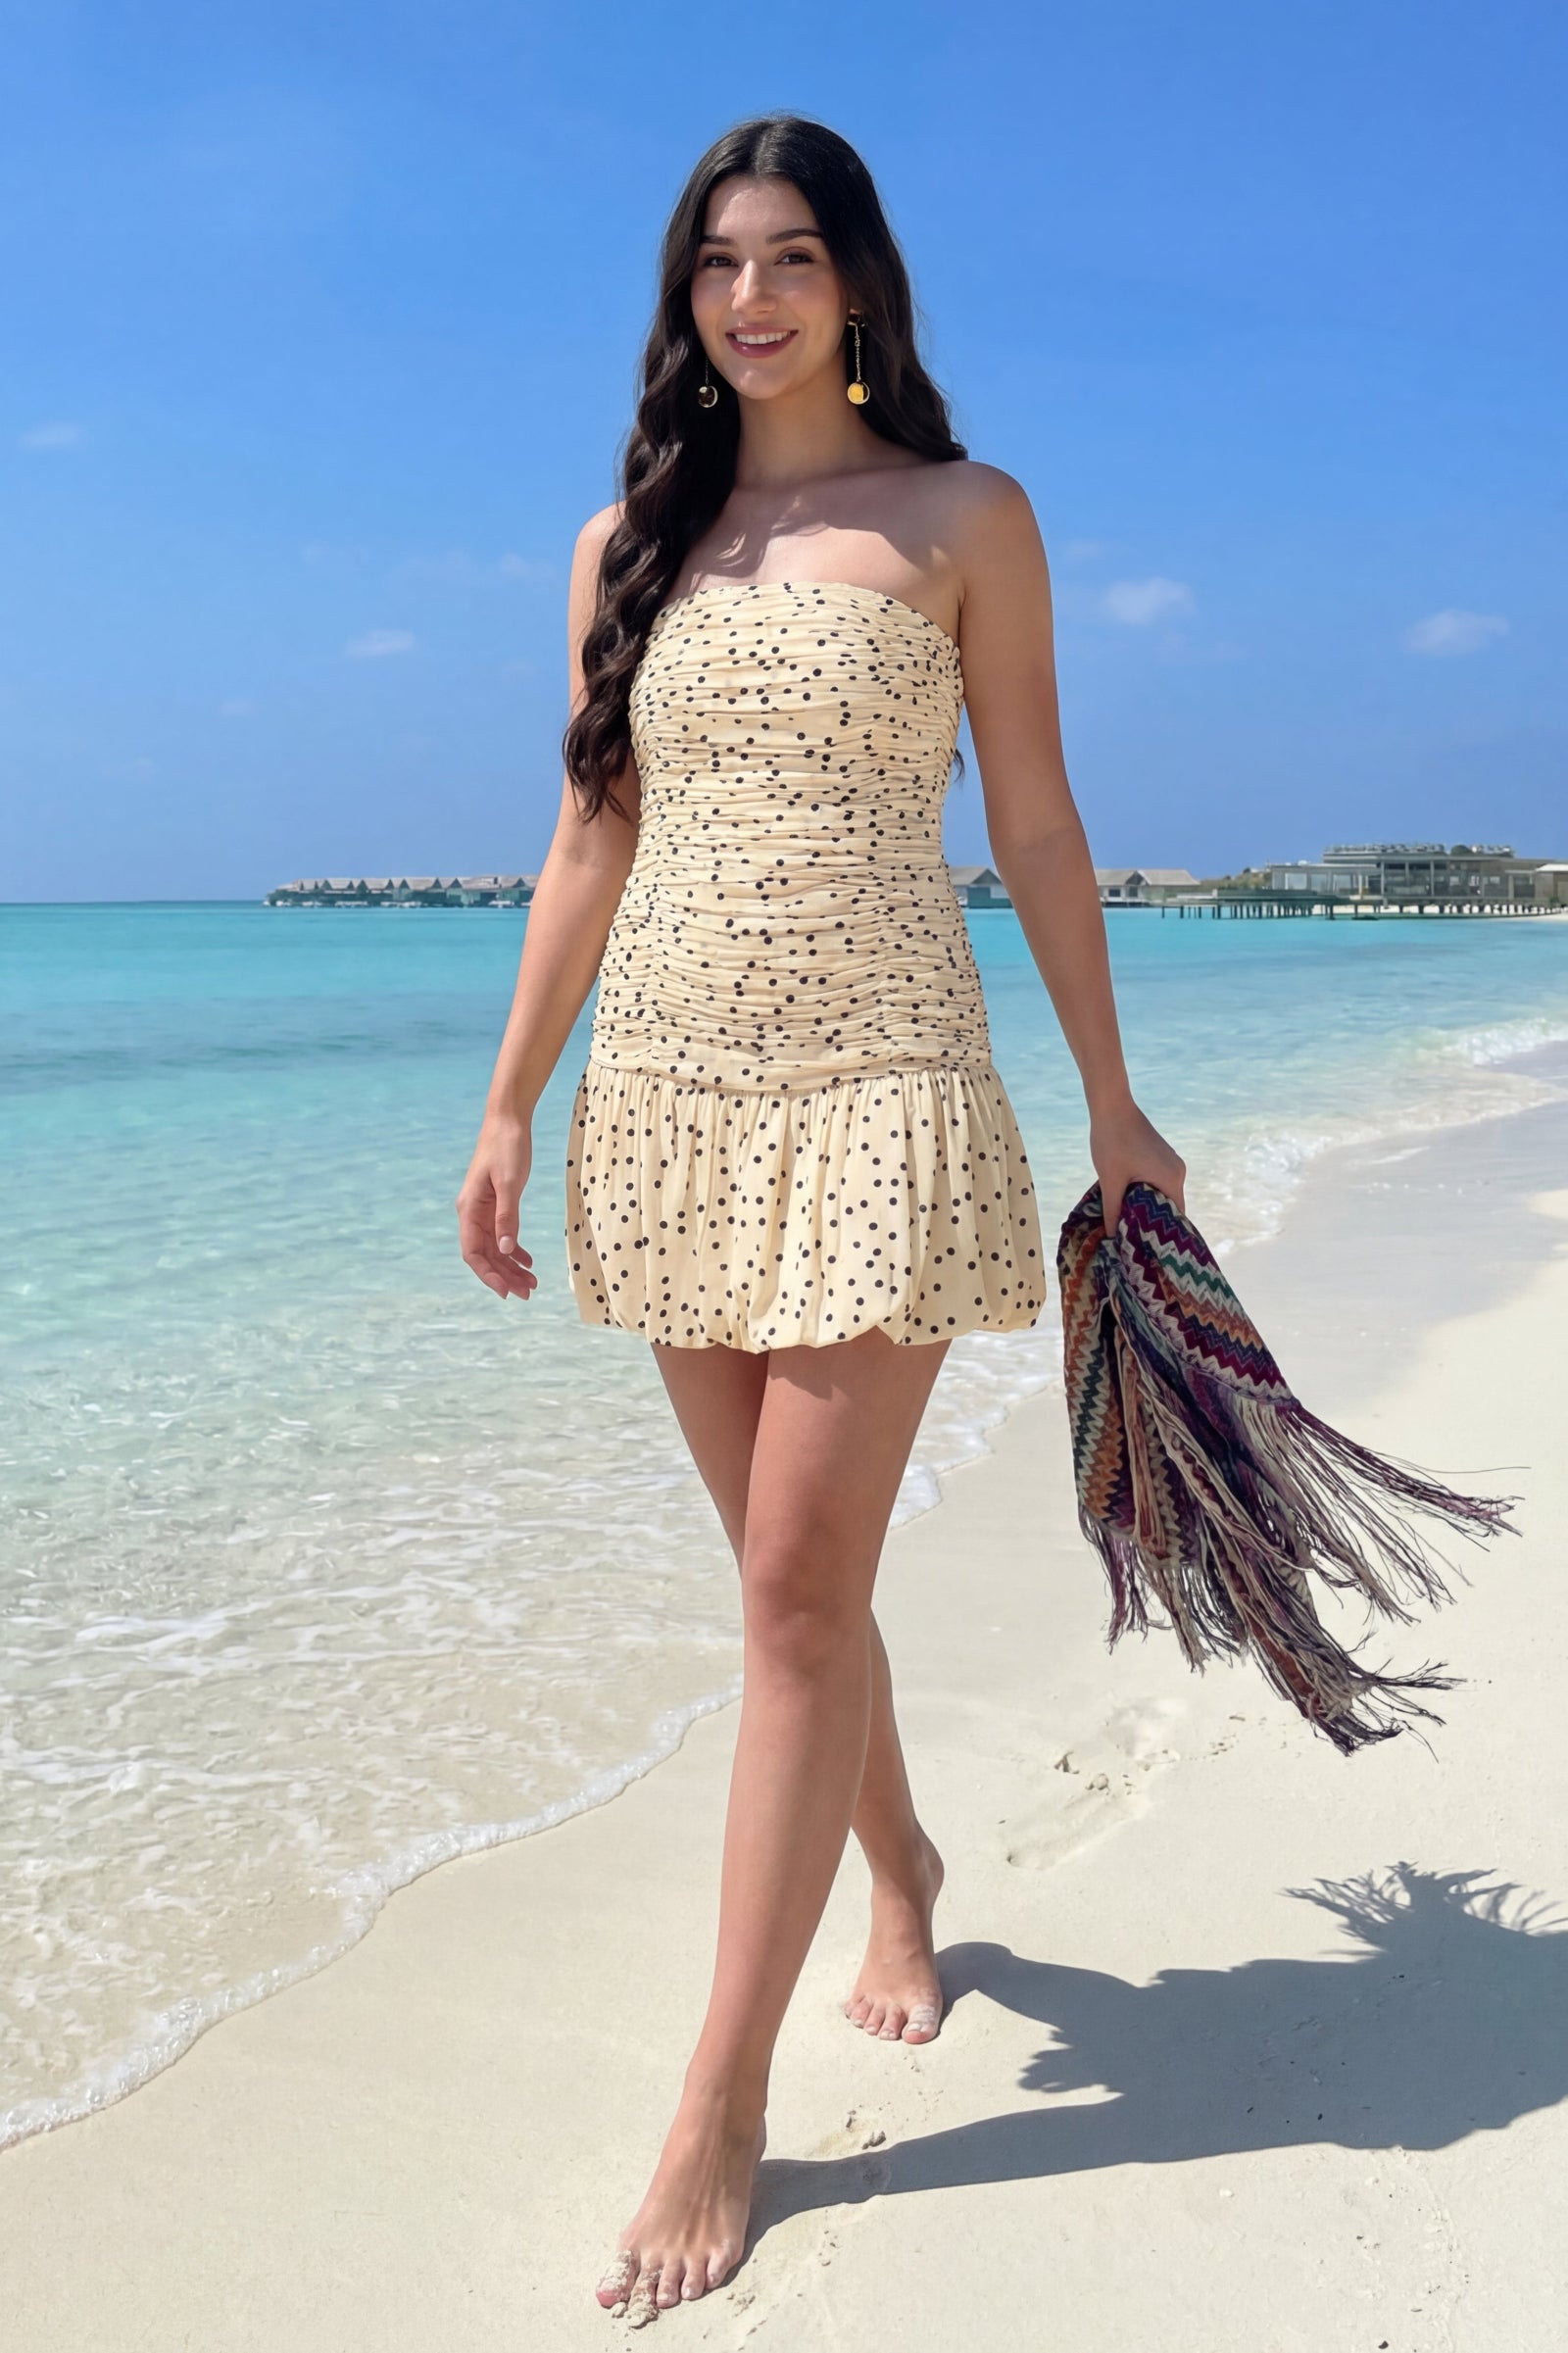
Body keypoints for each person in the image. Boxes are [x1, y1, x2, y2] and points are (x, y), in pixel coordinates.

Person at [457, 112, 1185, 2324]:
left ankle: (720, 2096)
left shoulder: (965, 517)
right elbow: (588, 843)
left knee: (793, 1585)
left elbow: (1036, 820)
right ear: (681, 298)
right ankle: (901, 1864)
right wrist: (507, 1104)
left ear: (856, 280)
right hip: (672, 1096)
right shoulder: (627, 545)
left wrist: (1114, 1098)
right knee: (790, 1588)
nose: (750, 297)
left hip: (888, 1090)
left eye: (789, 256)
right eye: (716, 263)